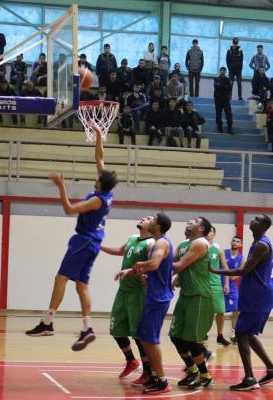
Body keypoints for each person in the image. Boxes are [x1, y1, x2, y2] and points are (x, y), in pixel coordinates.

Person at [26, 124, 118, 352]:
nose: (95, 179)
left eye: (97, 179)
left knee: (60, 279)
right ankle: (87, 328)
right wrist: (98, 134)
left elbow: (69, 209)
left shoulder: (97, 200)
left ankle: (47, 323)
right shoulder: (106, 192)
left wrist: (61, 187)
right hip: (93, 242)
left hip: (84, 240)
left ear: (100, 185)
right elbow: (100, 157)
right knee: (81, 285)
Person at [209, 214, 273, 391]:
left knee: (242, 332)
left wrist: (215, 270)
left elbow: (243, 270)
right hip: (257, 295)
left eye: (257, 219)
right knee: (248, 334)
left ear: (264, 226)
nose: (252, 220)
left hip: (259, 296)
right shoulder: (257, 242)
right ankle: (271, 369)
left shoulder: (261, 245)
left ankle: (250, 378)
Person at [115, 213, 173, 395]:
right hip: (153, 295)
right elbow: (155, 269)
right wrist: (132, 271)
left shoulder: (162, 242)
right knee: (145, 338)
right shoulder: (156, 242)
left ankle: (162, 381)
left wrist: (138, 265)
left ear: (158, 225)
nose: (150, 220)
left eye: (153, 219)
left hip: (158, 298)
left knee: (151, 340)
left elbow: (154, 264)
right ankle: (155, 376)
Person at [100, 216, 155, 383]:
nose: (143, 218)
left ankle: (147, 371)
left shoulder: (151, 243)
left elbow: (152, 265)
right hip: (122, 291)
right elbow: (119, 251)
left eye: (148, 218)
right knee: (116, 330)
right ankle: (131, 360)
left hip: (138, 293)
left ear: (154, 226)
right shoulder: (132, 238)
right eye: (143, 217)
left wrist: (141, 275)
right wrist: (99, 246)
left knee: (138, 335)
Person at [170, 217, 214, 390]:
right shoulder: (183, 244)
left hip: (199, 295)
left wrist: (154, 263)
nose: (189, 221)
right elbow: (173, 265)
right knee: (175, 336)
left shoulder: (201, 243)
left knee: (191, 339)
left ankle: (205, 375)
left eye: (194, 221)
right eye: (188, 220)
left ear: (202, 228)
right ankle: (192, 369)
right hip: (186, 294)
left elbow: (179, 265)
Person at [206, 226, 230, 346]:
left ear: (214, 234)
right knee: (204, 311)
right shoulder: (199, 246)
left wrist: (226, 283)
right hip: (202, 283)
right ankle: (202, 332)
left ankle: (220, 336)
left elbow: (225, 267)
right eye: (207, 230)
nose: (208, 233)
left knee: (220, 311)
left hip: (216, 284)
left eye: (211, 231)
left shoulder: (218, 248)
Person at [223, 235, 245, 343]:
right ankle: (206, 333)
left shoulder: (242, 258)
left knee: (236, 309)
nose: (235, 242)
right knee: (217, 309)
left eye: (237, 241)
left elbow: (240, 272)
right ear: (231, 242)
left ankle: (234, 333)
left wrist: (234, 276)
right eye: (234, 240)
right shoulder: (223, 253)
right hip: (220, 282)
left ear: (240, 244)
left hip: (232, 286)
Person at [214, 67, 233, 134]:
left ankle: (229, 128)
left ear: (225, 72)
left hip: (226, 98)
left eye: (224, 70)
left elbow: (230, 88)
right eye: (221, 70)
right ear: (220, 71)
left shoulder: (228, 79)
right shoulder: (216, 79)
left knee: (229, 113)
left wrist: (221, 85)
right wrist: (225, 86)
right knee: (218, 113)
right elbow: (216, 87)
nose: (222, 71)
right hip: (218, 98)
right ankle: (219, 127)